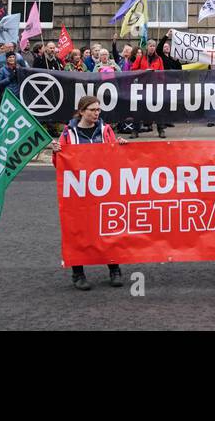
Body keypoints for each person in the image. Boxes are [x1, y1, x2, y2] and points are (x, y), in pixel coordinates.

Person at [52, 96, 124, 290]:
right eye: (92, 110)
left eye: (98, 110)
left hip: (104, 189)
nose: (96, 113)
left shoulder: (106, 131)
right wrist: (56, 152)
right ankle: (78, 273)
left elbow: (116, 159)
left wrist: (121, 147)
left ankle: (114, 269)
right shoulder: (68, 134)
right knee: (77, 230)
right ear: (81, 111)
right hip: (79, 191)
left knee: (108, 228)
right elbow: (60, 165)